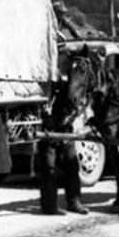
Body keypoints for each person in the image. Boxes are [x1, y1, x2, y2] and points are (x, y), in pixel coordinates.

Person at [37, 77, 88, 215]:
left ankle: (74, 202)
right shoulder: (47, 87)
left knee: (72, 166)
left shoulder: (71, 86)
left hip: (66, 131)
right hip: (49, 131)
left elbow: (77, 106)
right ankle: (49, 206)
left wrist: (73, 118)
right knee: (49, 168)